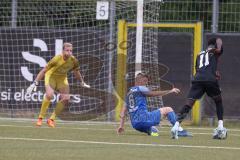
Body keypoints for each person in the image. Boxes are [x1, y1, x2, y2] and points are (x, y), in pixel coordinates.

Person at [26, 42, 90, 128]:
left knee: (66, 98)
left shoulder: (74, 60)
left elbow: (76, 72)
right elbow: (44, 70)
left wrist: (82, 82)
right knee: (49, 95)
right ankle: (40, 118)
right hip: (51, 76)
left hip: (62, 78)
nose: (69, 52)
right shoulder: (56, 59)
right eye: (67, 50)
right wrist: (34, 83)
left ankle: (51, 119)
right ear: (63, 51)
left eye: (71, 50)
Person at [175, 37, 227, 139]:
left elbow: (198, 69)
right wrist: (219, 41)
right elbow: (219, 48)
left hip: (198, 79)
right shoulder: (215, 51)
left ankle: (176, 126)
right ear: (215, 45)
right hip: (210, 80)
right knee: (218, 101)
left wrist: (213, 71)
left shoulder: (199, 54)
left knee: (189, 103)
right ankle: (220, 127)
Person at [117, 72, 190, 139]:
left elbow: (122, 113)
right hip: (144, 119)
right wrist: (170, 91)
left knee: (154, 130)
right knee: (168, 109)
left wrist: (121, 126)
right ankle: (179, 130)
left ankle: (151, 131)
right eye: (144, 81)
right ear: (138, 81)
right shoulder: (141, 88)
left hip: (135, 124)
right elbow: (152, 94)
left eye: (147, 81)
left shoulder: (129, 92)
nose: (146, 83)